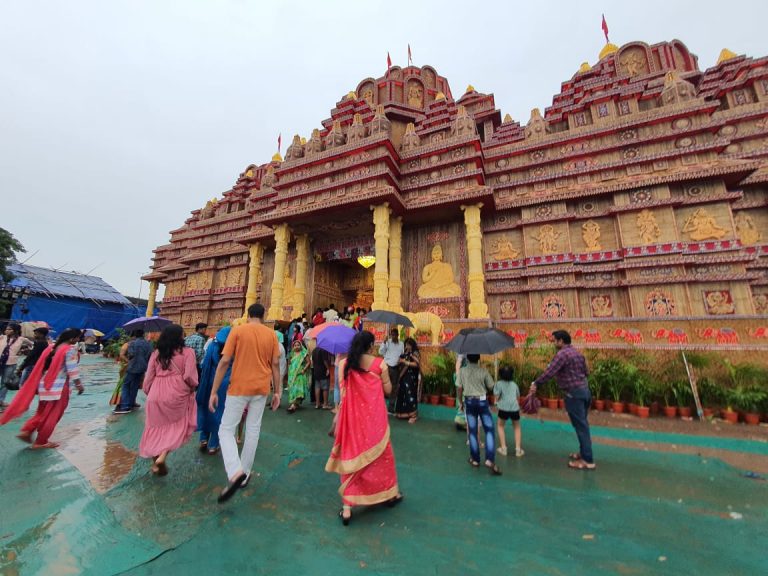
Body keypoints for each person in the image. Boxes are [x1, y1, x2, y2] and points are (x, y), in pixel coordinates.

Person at [325, 331, 403, 525]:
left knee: (350, 460)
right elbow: (388, 391)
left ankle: (347, 509)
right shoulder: (379, 365)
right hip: (374, 422)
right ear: (370, 346)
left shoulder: (344, 365)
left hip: (351, 422)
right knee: (382, 457)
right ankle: (389, 495)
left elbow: (343, 395)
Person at [209, 303, 281, 503]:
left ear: (248, 315)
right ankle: (245, 474)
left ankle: (235, 471)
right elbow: (275, 364)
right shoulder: (271, 335)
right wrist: (278, 392)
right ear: (264, 315)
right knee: (253, 429)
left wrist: (213, 391)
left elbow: (224, 362)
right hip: (262, 388)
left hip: (239, 386)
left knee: (226, 430)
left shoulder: (238, 331)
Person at [1, 328, 83, 449]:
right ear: (72, 338)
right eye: (78, 337)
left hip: (45, 384)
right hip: (59, 387)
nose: (78, 340)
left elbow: (42, 365)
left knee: (42, 411)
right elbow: (72, 370)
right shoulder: (70, 350)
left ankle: (27, 430)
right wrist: (79, 385)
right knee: (53, 415)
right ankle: (41, 441)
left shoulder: (51, 347)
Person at [530, 330, 595, 470]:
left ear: (561, 341)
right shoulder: (578, 353)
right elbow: (586, 372)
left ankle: (587, 460)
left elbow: (550, 372)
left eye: (555, 341)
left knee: (581, 427)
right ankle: (584, 452)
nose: (554, 344)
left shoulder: (562, 354)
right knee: (582, 424)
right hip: (585, 392)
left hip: (574, 394)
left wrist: (536, 383)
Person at [139, 324, 198, 476]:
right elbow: (189, 376)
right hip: (176, 392)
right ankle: (163, 456)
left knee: (154, 428)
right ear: (180, 337)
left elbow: (148, 378)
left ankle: (156, 463)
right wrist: (192, 388)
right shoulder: (187, 352)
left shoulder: (157, 353)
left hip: (156, 392)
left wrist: (149, 392)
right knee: (176, 427)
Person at [457, 354, 501, 475]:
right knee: (489, 430)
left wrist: (460, 402)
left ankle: (475, 460)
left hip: (469, 402)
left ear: (467, 358)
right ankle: (489, 459)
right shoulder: (484, 371)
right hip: (482, 401)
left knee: (472, 430)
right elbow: (492, 386)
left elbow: (459, 388)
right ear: (479, 359)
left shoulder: (462, 371)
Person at [196, 326, 232, 455]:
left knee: (207, 409)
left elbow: (203, 364)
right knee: (220, 413)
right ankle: (213, 444)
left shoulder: (212, 346)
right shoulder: (232, 349)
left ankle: (203, 439)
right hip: (224, 384)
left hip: (208, 382)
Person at [114, 330, 154, 414]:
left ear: (134, 336)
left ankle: (125, 406)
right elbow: (151, 356)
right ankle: (132, 403)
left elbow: (127, 354)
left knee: (126, 385)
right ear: (143, 335)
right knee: (135, 386)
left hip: (132, 367)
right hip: (143, 367)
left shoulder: (131, 343)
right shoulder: (148, 344)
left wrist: (128, 360)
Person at [0, 323, 31, 409]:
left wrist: (27, 350)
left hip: (11, 364)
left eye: (9, 329)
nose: (7, 331)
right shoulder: (2, 337)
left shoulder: (21, 339)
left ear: (15, 330)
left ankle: (1, 400)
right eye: (6, 329)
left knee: (5, 382)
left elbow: (32, 345)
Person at [494, 365, 523, 457]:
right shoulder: (514, 384)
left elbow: (497, 397)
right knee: (517, 427)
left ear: (500, 374)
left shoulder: (498, 384)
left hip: (503, 408)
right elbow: (518, 397)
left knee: (500, 425)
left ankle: (503, 448)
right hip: (514, 408)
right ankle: (518, 450)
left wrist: (497, 401)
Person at [395, 338, 420, 423]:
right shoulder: (404, 354)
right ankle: (402, 413)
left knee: (410, 395)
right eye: (406, 344)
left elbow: (417, 364)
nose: (407, 346)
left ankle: (413, 415)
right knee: (402, 393)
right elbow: (400, 363)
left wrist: (406, 361)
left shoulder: (415, 353)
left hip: (411, 379)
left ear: (412, 345)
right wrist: (400, 361)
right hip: (403, 377)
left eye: (409, 345)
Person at [379, 328, 404, 413]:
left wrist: (401, 361)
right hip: (387, 366)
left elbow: (402, 354)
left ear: (397, 335)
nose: (393, 336)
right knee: (382, 386)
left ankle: (391, 408)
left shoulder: (401, 344)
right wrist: (384, 342)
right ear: (390, 335)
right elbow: (381, 352)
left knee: (394, 387)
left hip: (396, 368)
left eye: (395, 335)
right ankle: (380, 406)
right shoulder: (387, 342)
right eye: (392, 335)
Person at [287, 340, 310, 413]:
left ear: (301, 346)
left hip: (300, 374)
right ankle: (295, 404)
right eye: (295, 345)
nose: (296, 346)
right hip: (292, 375)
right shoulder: (292, 354)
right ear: (293, 347)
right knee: (293, 389)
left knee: (298, 390)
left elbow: (309, 362)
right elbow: (289, 363)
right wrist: (289, 372)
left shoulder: (304, 353)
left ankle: (293, 405)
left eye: (298, 345)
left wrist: (304, 369)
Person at [312, 344, 332, 409]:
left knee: (317, 387)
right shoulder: (323, 350)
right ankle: (325, 404)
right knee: (325, 388)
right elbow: (325, 361)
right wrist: (328, 368)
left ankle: (317, 403)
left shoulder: (314, 350)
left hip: (316, 370)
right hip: (323, 370)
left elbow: (313, 361)